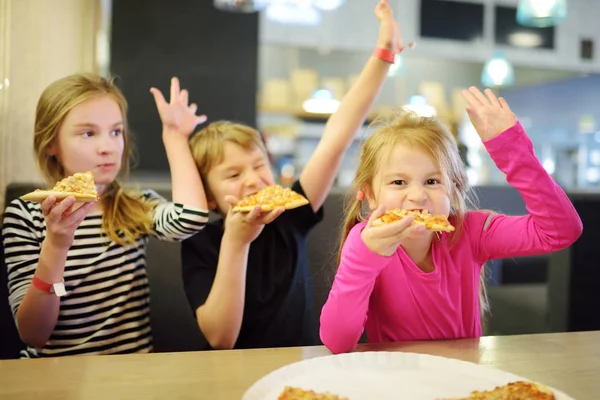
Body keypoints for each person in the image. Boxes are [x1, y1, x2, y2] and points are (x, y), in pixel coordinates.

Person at [181, 0, 407, 350]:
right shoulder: (199, 240)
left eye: (259, 166)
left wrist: (384, 55)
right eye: (233, 174)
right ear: (208, 196)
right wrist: (236, 242)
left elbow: (337, 138)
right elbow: (220, 338)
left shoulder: (290, 217)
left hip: (303, 367)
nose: (254, 180)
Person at [319, 87, 583, 354]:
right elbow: (338, 342)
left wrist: (514, 152)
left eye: (432, 181)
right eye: (399, 182)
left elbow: (561, 230)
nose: (417, 196)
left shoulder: (473, 232)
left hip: (465, 379)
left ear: (454, 188)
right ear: (371, 194)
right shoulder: (365, 242)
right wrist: (364, 258)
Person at [2, 74, 209, 357]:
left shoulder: (135, 205)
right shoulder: (26, 215)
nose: (108, 147)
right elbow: (34, 333)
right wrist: (57, 244)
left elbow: (192, 219)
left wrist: (175, 136)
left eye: (116, 132)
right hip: (55, 374)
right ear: (51, 144)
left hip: (128, 373)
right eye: (88, 133)